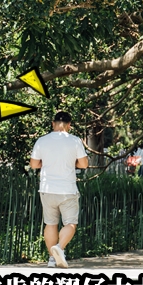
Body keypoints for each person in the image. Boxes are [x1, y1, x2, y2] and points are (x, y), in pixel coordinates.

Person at [30, 111, 88, 268]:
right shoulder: (75, 141)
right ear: (69, 125)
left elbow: (34, 164)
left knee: (50, 223)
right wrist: (72, 164)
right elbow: (84, 164)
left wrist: (45, 164)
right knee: (71, 223)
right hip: (67, 189)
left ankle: (51, 259)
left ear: (52, 123)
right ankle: (59, 247)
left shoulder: (42, 141)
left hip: (47, 189)